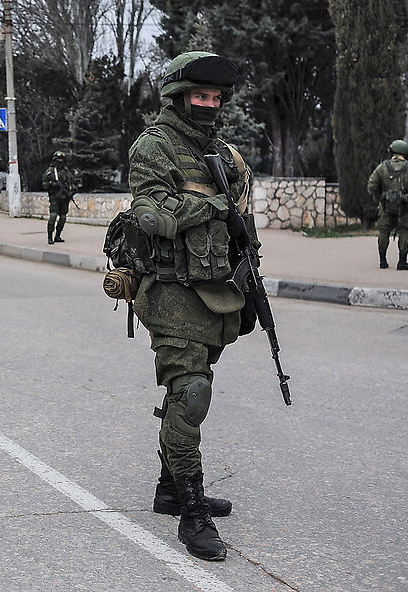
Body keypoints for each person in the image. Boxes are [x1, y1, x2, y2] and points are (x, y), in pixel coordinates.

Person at [126, 51, 258, 562]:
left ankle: (167, 487)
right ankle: (192, 513)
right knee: (191, 392)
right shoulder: (154, 147)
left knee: (197, 383)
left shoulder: (224, 154)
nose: (209, 104)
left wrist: (251, 280)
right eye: (199, 96)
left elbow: (242, 222)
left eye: (215, 97)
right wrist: (209, 203)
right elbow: (149, 216)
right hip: (167, 288)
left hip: (215, 288)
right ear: (178, 98)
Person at [367, 139, 408, 270]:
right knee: (404, 232)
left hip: (385, 207)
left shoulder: (382, 167)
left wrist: (381, 198)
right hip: (405, 208)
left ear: (392, 152)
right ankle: (402, 262)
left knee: (384, 232)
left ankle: (383, 261)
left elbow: (371, 186)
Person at [42, 151, 77, 244]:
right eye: (58, 160)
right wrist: (52, 185)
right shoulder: (51, 172)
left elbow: (72, 184)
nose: (59, 162)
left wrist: (71, 193)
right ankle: (50, 236)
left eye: (61, 160)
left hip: (64, 198)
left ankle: (57, 235)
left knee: (63, 218)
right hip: (55, 198)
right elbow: (44, 184)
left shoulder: (67, 172)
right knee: (53, 216)